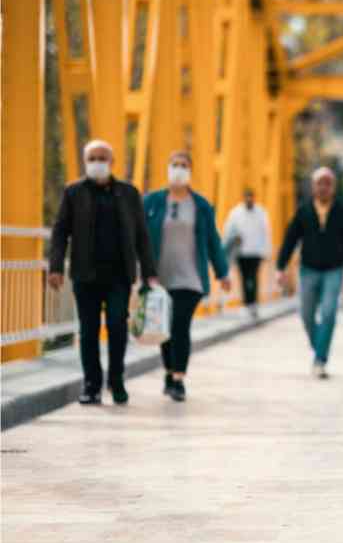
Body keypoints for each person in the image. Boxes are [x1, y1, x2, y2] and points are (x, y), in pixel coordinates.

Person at [48, 139, 159, 406]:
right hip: (85, 275)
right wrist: (55, 267)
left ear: (112, 162)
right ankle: (91, 386)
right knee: (88, 331)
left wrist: (149, 272)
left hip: (119, 275)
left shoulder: (129, 193)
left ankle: (116, 380)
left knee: (118, 328)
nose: (97, 163)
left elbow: (142, 236)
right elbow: (60, 231)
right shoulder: (73, 193)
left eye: (102, 158)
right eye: (92, 158)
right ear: (86, 162)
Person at [144, 151, 231, 402]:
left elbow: (213, 241)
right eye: (175, 165)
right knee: (165, 329)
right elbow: (138, 235)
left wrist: (222, 271)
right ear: (167, 168)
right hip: (158, 278)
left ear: (190, 171)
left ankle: (179, 379)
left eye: (183, 166)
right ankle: (169, 373)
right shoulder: (152, 202)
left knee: (180, 326)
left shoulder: (201, 205)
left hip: (190, 279)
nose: (178, 169)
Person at [275, 167, 343, 379]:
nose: (323, 187)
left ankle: (320, 359)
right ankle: (320, 347)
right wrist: (280, 267)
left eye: (327, 183)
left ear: (334, 187)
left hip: (334, 270)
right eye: (319, 183)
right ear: (313, 187)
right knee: (306, 314)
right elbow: (290, 239)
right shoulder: (303, 210)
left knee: (329, 312)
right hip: (308, 270)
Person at [223, 188, 272, 318]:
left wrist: (267, 251)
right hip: (241, 252)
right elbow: (228, 231)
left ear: (254, 198)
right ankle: (246, 304)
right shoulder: (236, 213)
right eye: (247, 197)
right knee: (244, 278)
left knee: (253, 278)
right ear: (243, 198)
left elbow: (266, 232)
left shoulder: (261, 212)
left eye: (251, 197)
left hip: (256, 252)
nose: (249, 200)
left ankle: (253, 304)